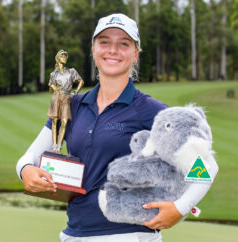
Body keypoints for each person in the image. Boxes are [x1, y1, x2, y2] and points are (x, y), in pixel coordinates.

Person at [16, 13, 218, 242]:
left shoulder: (152, 111)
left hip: (130, 235)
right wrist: (26, 172)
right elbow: (27, 158)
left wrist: (180, 208)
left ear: (135, 54)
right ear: (94, 49)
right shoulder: (72, 105)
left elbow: (207, 166)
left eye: (123, 44)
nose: (113, 50)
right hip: (74, 234)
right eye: (105, 42)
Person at [47, 50, 84, 153]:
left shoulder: (71, 71)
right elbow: (50, 87)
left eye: (66, 56)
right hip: (56, 98)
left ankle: (59, 146)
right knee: (54, 121)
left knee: (64, 121)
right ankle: (55, 147)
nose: (65, 57)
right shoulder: (53, 74)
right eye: (63, 56)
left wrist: (76, 92)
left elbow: (81, 81)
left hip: (66, 97)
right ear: (58, 58)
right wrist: (53, 87)